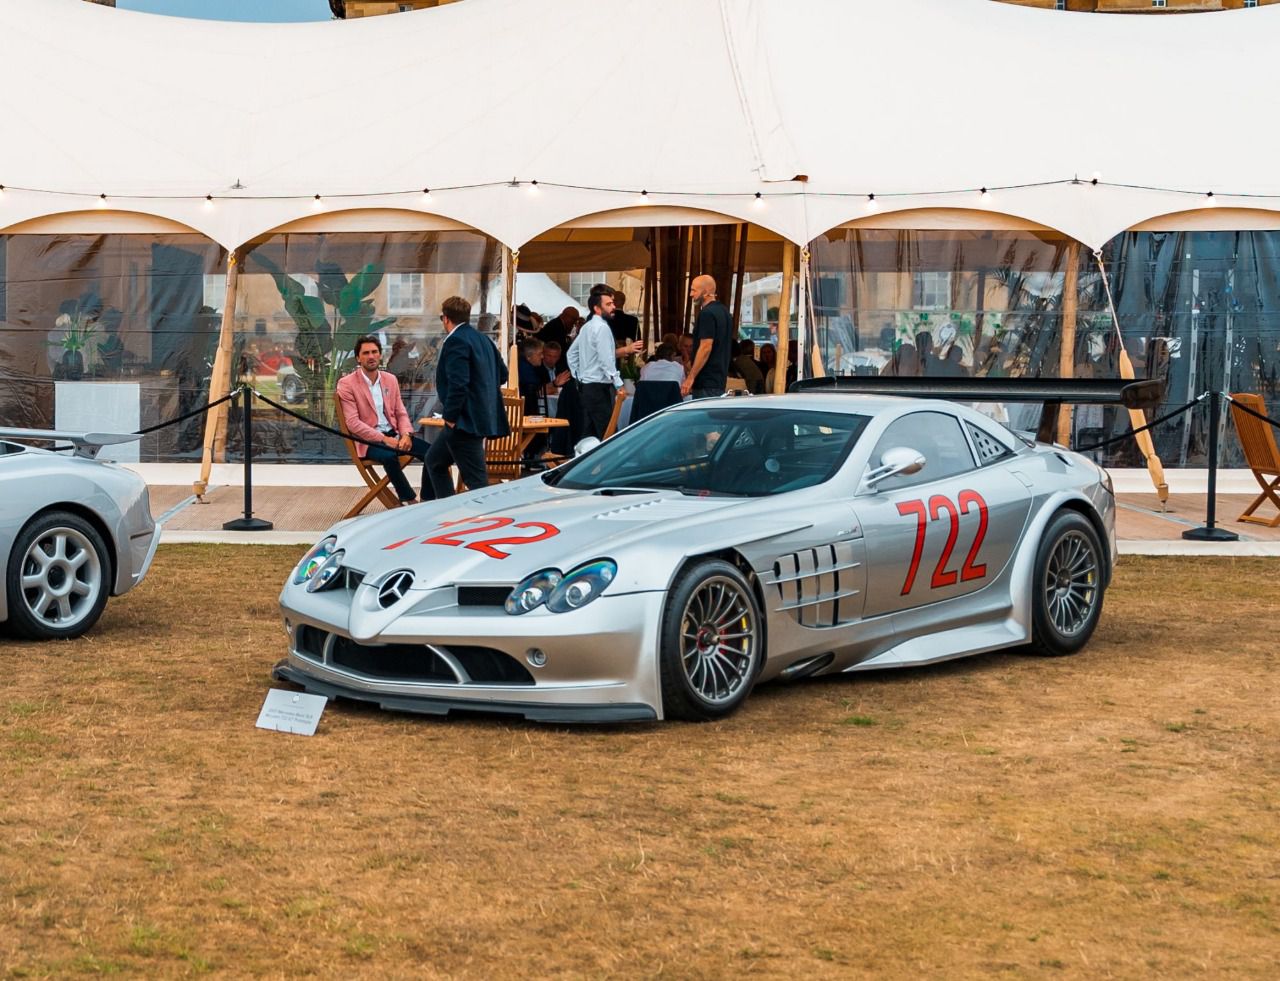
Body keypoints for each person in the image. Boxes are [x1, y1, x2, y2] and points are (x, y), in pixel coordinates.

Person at [424, 295, 510, 498]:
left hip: (463, 421)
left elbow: (458, 384)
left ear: (445, 318)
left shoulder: (455, 341)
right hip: (475, 418)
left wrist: (451, 417)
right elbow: (503, 374)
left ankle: (488, 523)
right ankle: (445, 510)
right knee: (434, 461)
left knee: (477, 483)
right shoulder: (484, 339)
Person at [336, 335, 430, 504]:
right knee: (389, 456)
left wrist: (406, 434)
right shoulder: (347, 384)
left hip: (394, 435)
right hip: (369, 441)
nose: (371, 356)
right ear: (358, 358)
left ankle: (427, 499)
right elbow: (353, 423)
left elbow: (400, 412)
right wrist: (384, 439)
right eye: (366, 353)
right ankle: (410, 500)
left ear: (380, 355)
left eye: (374, 352)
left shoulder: (390, 379)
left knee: (433, 453)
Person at [567, 286, 623, 439]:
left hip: (587, 387)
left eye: (612, 303)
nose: (613, 307)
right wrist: (618, 383)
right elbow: (606, 359)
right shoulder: (602, 328)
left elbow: (571, 354)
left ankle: (588, 462)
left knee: (589, 433)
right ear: (597, 309)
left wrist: (579, 375)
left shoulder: (587, 327)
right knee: (608, 433)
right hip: (598, 388)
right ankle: (611, 463)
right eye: (609, 304)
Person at [682, 274, 733, 399]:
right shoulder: (725, 312)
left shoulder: (706, 314)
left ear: (706, 292)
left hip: (706, 381)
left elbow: (706, 347)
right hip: (719, 379)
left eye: (694, 290)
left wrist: (690, 377)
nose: (691, 294)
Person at [518, 337, 553, 415]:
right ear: (528, 357)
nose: (542, 357)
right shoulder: (526, 373)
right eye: (539, 354)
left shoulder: (526, 367)